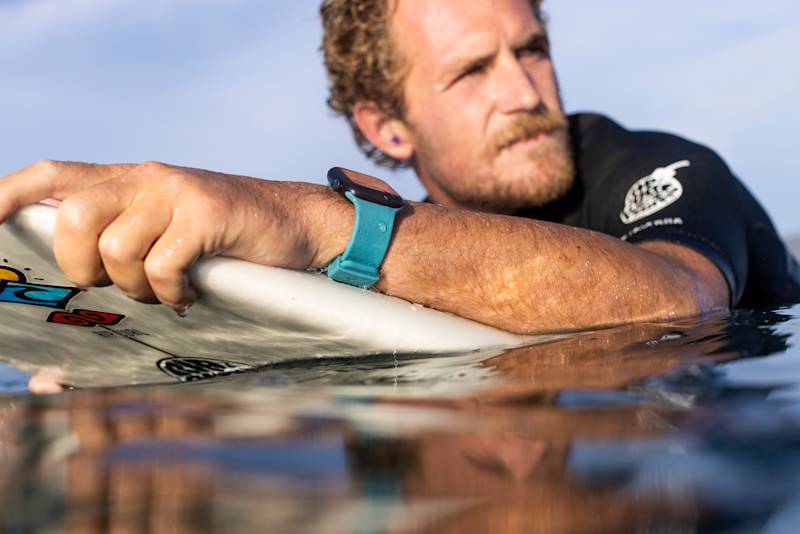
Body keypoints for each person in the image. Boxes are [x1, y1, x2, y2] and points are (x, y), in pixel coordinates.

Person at [0, 0, 797, 335]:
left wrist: (308, 221)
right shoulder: (412, 251)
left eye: (531, 50)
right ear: (385, 125)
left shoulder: (660, 168)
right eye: (472, 71)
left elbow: (678, 300)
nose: (526, 94)